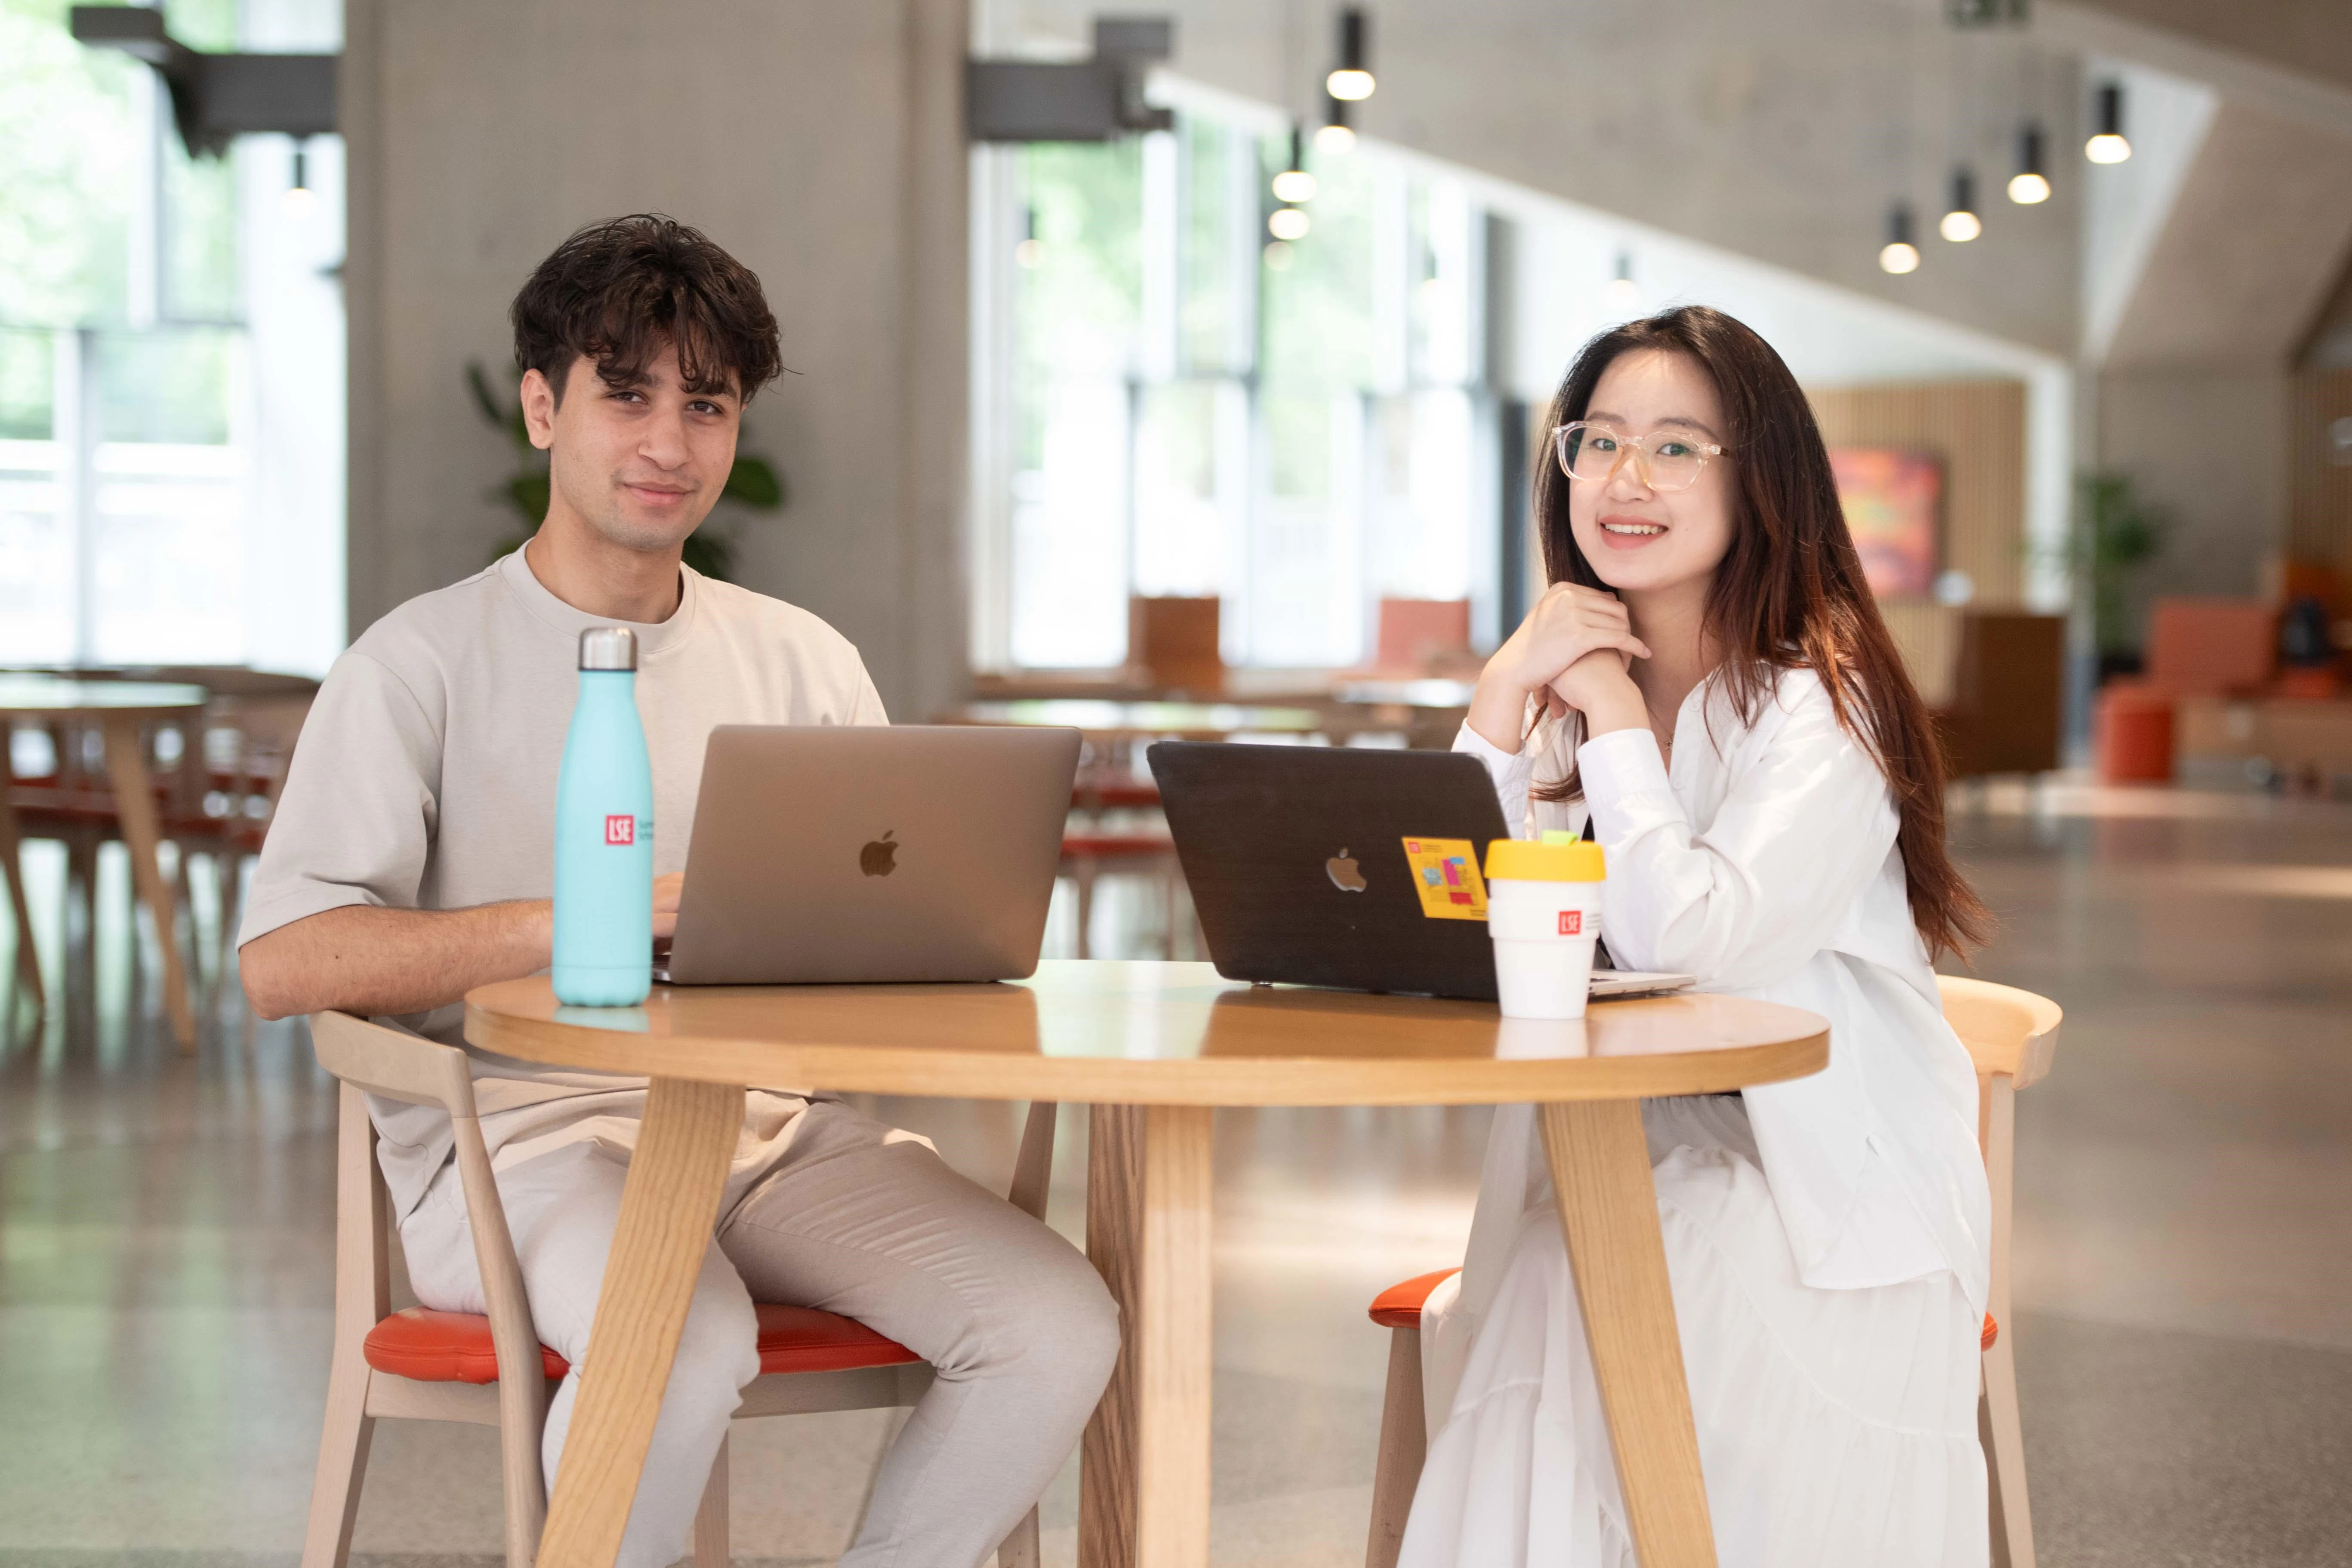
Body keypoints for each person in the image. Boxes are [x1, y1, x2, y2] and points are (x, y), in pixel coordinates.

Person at [238, 214, 1119, 1568]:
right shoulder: (417, 662)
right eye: (627, 393)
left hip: (775, 1141)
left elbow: (881, 933)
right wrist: (577, 919)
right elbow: (283, 961)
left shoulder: (804, 659)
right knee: (685, 1332)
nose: (669, 442)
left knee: (1058, 1320)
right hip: (523, 1150)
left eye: (706, 404)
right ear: (543, 407)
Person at [1400, 306, 1993, 1567]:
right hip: (1623, 1151)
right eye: (1598, 439)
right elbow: (1446, 918)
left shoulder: (1825, 705)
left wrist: (1609, 710)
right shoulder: (1562, 692)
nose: (1624, 478)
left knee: (1587, 1293)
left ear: (1760, 480)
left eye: (1676, 448)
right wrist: (1503, 699)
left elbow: (1703, 938)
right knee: (1572, 1278)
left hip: (1825, 1191)